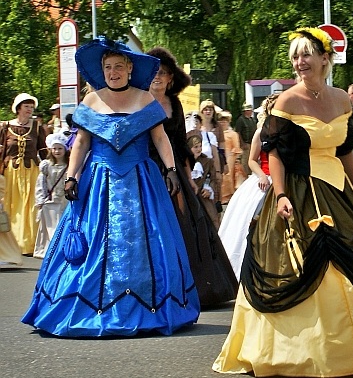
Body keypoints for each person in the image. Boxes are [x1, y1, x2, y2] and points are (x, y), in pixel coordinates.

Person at [214, 27, 353, 378]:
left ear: (325, 59)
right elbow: (276, 156)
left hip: (337, 188)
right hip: (298, 190)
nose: (299, 62)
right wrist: (281, 195)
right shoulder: (286, 102)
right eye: (295, 56)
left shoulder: (342, 99)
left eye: (306, 55)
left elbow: (345, 153)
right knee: (305, 263)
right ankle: (306, 350)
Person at [22, 37, 199, 337]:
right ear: (101, 70)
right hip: (98, 180)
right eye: (108, 67)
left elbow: (159, 138)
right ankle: (86, 305)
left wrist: (170, 169)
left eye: (119, 66)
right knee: (93, 243)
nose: (113, 71)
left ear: (130, 68)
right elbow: (81, 143)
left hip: (141, 180)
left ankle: (144, 305)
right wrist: (71, 176)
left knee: (146, 241)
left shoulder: (145, 99)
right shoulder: (91, 101)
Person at [147, 46, 238, 309]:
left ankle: (196, 287)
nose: (158, 77)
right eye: (154, 72)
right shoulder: (138, 99)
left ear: (170, 79)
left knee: (189, 220)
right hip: (148, 167)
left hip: (174, 166)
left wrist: (187, 175)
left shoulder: (173, 103)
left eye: (163, 73)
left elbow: (179, 142)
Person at [218, 93, 279, 274]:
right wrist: (261, 176)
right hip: (265, 179)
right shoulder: (261, 132)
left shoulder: (291, 131)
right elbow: (252, 160)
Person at [2, 93, 48, 254]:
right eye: (26, 107)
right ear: (18, 108)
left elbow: (43, 151)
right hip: (11, 173)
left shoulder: (37, 127)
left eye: (31, 107)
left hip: (31, 173)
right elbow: (2, 151)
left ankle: (28, 243)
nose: (29, 110)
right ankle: (11, 245)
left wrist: (51, 170)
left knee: (30, 207)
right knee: (12, 207)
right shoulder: (6, 127)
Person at [32, 132, 69, 258]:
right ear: (50, 150)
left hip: (65, 201)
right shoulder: (47, 165)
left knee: (62, 226)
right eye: (55, 148)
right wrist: (41, 199)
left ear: (65, 149)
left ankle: (61, 249)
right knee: (50, 228)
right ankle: (48, 250)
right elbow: (40, 183)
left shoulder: (68, 166)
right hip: (51, 201)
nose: (57, 151)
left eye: (60, 148)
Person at [188, 133, 221, 227]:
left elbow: (212, 178)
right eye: (195, 147)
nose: (199, 149)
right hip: (190, 196)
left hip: (204, 195)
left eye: (200, 146)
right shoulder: (184, 163)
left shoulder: (207, 161)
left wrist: (209, 188)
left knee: (212, 219)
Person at [217, 110, 244, 204]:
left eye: (225, 120)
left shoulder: (233, 134)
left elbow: (237, 148)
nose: (222, 122)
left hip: (230, 158)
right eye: (220, 120)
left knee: (228, 177)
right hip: (219, 157)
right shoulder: (217, 132)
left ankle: (228, 197)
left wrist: (234, 158)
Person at [233, 102, 257, 172]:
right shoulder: (240, 120)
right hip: (246, 144)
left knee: (251, 161)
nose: (251, 111)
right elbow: (238, 132)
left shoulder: (252, 119)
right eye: (249, 110)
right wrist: (242, 143)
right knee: (245, 162)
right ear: (245, 111)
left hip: (252, 144)